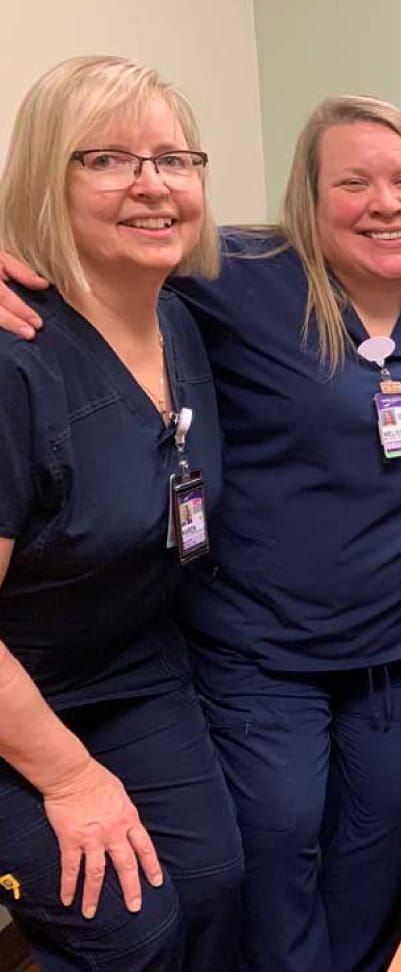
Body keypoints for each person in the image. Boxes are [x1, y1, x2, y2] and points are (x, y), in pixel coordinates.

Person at [0, 95, 401, 971]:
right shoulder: (236, 275)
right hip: (262, 644)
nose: (386, 203)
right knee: (273, 842)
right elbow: (100, 255)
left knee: (375, 841)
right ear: (307, 200)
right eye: (353, 182)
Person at [0, 56, 242, 971]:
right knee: (130, 932)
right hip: (14, 693)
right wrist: (69, 779)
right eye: (105, 159)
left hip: (128, 668)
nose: (152, 185)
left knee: (216, 885)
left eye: (175, 160)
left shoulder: (179, 318)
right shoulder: (15, 359)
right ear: (43, 181)